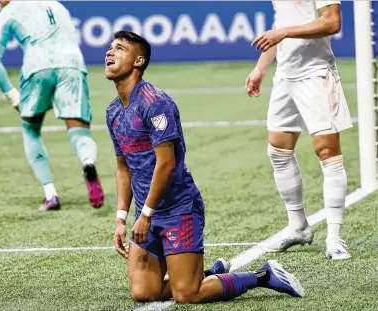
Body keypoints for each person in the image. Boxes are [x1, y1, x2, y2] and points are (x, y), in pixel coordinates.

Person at [105, 30, 304, 304]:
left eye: (120, 48)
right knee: (143, 293)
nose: (110, 52)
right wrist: (120, 219)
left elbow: (166, 164)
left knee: (187, 294)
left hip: (179, 210)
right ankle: (212, 274)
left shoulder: (155, 103)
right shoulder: (113, 111)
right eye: (110, 47)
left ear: (138, 61)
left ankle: (262, 276)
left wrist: (145, 215)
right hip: (146, 214)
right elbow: (123, 168)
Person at [245, 1, 352, 259]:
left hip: (316, 74)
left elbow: (331, 22)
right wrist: (261, 67)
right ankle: (298, 227)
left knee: (327, 152)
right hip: (286, 75)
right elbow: (281, 23)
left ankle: (335, 239)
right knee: (278, 151)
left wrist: (283, 33)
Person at [0, 1, 104, 211]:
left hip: (37, 67)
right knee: (79, 132)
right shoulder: (57, 5)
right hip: (72, 65)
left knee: (30, 129)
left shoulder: (9, 11)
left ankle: (51, 195)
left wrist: (12, 95)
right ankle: (88, 162)